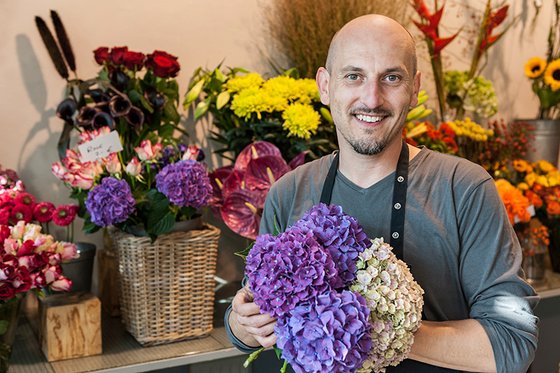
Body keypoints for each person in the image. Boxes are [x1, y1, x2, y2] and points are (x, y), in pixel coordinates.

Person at [225, 14, 539, 373]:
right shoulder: (289, 192)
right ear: (325, 86)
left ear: (415, 87)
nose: (371, 98)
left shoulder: (463, 187)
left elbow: (514, 340)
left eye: (391, 78)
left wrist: (368, 330)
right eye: (353, 76)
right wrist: (243, 324)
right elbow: (251, 320)